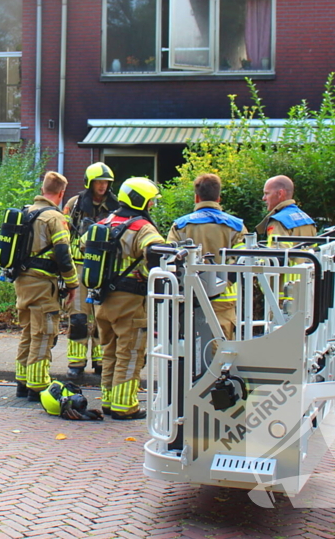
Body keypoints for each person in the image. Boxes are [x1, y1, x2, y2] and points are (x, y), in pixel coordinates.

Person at [90, 176, 165, 420]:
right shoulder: (142, 226)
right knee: (130, 352)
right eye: (150, 201)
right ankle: (125, 406)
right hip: (130, 301)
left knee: (109, 351)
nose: (152, 205)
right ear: (140, 199)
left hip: (102, 299)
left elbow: (83, 244)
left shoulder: (106, 221)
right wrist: (147, 276)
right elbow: (156, 253)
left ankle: (110, 402)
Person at [14, 171, 79, 402]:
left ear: (43, 190)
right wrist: (72, 284)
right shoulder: (54, 217)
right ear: (61, 193)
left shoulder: (25, 213)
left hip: (22, 282)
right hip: (42, 284)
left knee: (29, 333)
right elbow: (63, 253)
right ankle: (37, 385)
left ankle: (22, 382)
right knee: (43, 334)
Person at [167, 173, 248, 340]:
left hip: (188, 297)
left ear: (197, 198)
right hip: (224, 298)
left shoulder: (180, 225)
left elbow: (169, 259)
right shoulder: (236, 226)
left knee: (189, 349)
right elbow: (243, 259)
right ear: (219, 198)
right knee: (222, 348)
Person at [62, 161, 119, 379]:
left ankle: (101, 361)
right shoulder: (75, 204)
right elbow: (63, 233)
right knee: (78, 318)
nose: (102, 186)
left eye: (106, 182)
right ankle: (76, 363)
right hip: (79, 265)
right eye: (98, 182)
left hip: (105, 268)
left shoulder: (116, 206)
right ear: (90, 183)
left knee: (102, 319)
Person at [255, 175, 317, 246]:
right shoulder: (307, 219)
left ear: (280, 194)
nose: (263, 198)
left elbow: (277, 255)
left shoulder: (278, 221)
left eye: (267, 193)